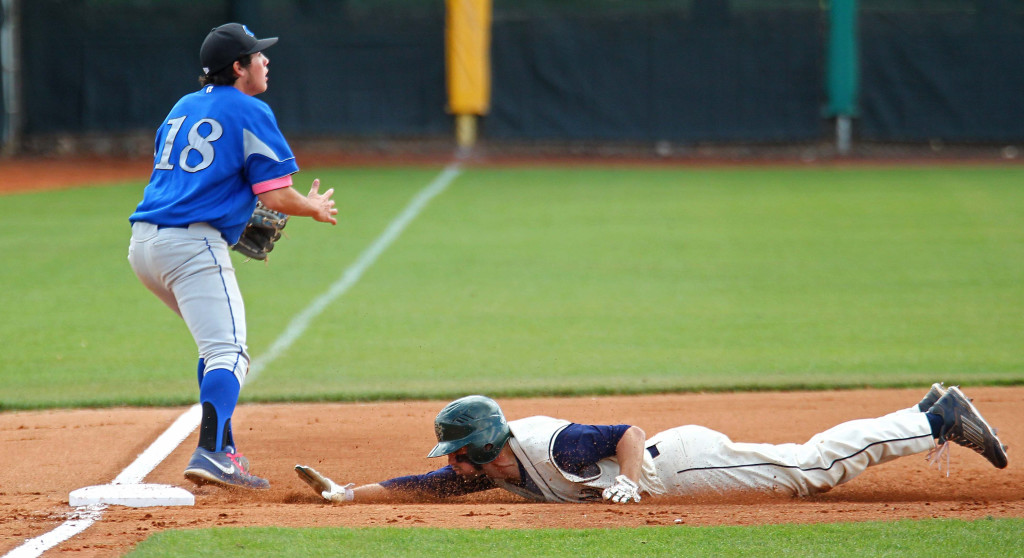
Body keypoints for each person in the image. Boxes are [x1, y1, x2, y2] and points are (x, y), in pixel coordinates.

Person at [129, 23, 338, 490]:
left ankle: (223, 449)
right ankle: (211, 452)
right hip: (191, 245)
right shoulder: (250, 109)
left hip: (144, 245)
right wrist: (314, 207)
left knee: (214, 346)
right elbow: (278, 195)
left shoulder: (184, 105)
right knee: (230, 350)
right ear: (238, 67)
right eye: (257, 56)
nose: (266, 61)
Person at [295, 384, 1008, 503]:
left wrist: (630, 481)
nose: (450, 468)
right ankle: (927, 418)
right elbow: (428, 488)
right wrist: (346, 493)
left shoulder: (552, 446)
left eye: (455, 454)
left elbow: (628, 435)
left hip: (682, 464)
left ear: (481, 446)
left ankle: (931, 418)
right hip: (671, 469)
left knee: (810, 469)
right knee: (807, 467)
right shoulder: (487, 468)